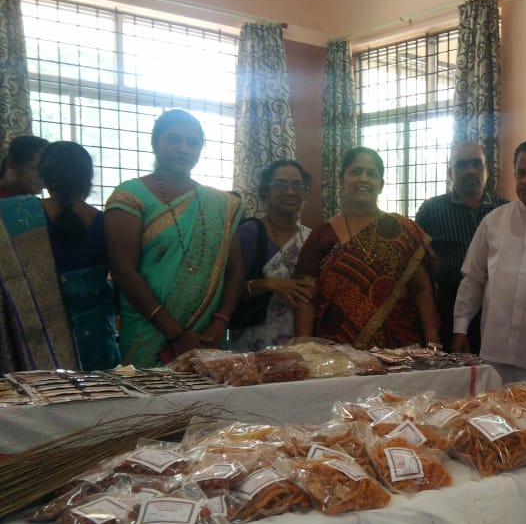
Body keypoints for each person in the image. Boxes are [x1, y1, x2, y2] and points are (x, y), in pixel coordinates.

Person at [106, 109, 245, 367]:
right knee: (147, 393)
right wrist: (176, 334)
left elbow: (235, 269)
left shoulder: (220, 204)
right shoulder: (130, 195)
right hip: (148, 331)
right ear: (155, 143)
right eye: (173, 139)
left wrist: (220, 323)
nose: (183, 149)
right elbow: (123, 270)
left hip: (206, 335)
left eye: (192, 142)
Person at [451, 139, 526, 383]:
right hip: (495, 354)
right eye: (521, 173)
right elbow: (473, 279)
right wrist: (460, 328)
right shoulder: (493, 221)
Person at [294, 146, 439, 348]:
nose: (363, 178)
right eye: (355, 171)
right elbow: (306, 298)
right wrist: (304, 348)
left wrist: (433, 343)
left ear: (381, 185)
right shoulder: (322, 234)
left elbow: (422, 289)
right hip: (337, 352)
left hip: (399, 349)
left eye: (371, 173)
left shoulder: (403, 231)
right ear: (341, 181)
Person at [0, 141, 119, 371]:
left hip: (36, 349)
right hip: (95, 345)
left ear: (44, 178)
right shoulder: (106, 223)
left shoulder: (15, 217)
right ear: (88, 179)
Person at [415, 141, 507, 351]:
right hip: (446, 308)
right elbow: (417, 266)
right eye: (461, 165)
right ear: (450, 172)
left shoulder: (506, 210)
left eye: (476, 164)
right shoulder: (431, 210)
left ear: (487, 170)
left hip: (496, 311)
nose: (470, 170)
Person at [229, 160, 313, 351]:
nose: (290, 191)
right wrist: (265, 284)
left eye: (297, 185)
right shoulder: (250, 233)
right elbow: (225, 292)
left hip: (300, 348)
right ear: (266, 191)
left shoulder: (310, 238)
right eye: (281, 184)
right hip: (252, 349)